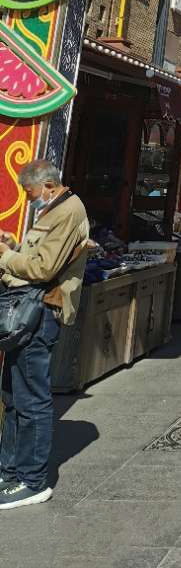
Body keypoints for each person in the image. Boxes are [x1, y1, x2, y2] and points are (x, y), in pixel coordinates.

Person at [0, 159, 89, 508]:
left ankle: (33, 481)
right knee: (12, 396)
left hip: (41, 312)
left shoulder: (68, 212)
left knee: (32, 399)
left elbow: (43, 267)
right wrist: (16, 246)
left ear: (48, 186)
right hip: (27, 310)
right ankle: (10, 470)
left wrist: (6, 257)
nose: (28, 198)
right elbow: (37, 255)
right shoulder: (53, 210)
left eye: (31, 192)